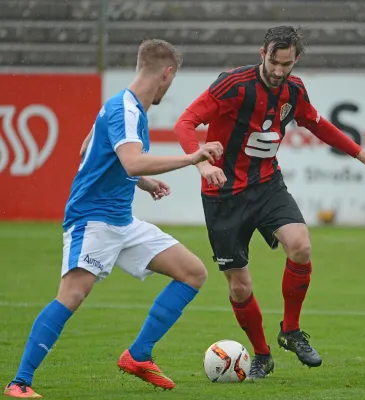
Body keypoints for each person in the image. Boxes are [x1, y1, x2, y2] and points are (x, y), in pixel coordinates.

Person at [173, 25, 365, 379]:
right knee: (240, 287)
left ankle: (291, 331)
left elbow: (318, 124)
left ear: (295, 59)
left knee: (300, 245)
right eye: (274, 61)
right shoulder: (233, 85)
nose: (279, 70)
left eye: (287, 64)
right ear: (262, 53)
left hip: (267, 184)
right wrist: (201, 161)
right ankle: (262, 354)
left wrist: (364, 156)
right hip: (223, 194)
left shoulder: (294, 90)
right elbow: (185, 122)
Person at [4, 39, 223, 398]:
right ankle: (19, 382)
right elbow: (131, 160)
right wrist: (194, 158)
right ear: (167, 73)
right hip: (91, 220)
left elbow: (92, 152)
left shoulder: (122, 105)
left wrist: (142, 181)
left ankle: (138, 356)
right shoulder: (127, 110)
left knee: (193, 272)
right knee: (72, 295)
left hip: (121, 221)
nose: (169, 87)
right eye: (172, 79)